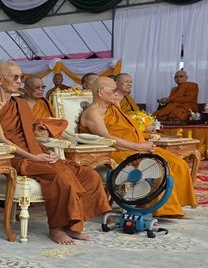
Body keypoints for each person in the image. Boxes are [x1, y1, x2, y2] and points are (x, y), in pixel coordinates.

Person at [0, 61, 111, 245]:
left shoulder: (21, 104)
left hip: (35, 152)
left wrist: (47, 151)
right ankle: (56, 228)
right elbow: (2, 140)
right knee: (61, 175)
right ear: (0, 80)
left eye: (20, 77)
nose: (19, 81)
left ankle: (73, 226)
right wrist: (32, 157)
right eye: (15, 77)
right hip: (14, 157)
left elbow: (29, 136)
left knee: (88, 174)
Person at [80, 76, 196, 218]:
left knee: (178, 164)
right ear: (101, 92)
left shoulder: (112, 107)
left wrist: (143, 143)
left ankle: (177, 204)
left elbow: (126, 127)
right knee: (156, 166)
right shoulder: (93, 113)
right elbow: (108, 139)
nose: (117, 93)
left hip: (136, 147)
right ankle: (162, 209)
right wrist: (139, 147)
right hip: (118, 151)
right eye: (114, 90)